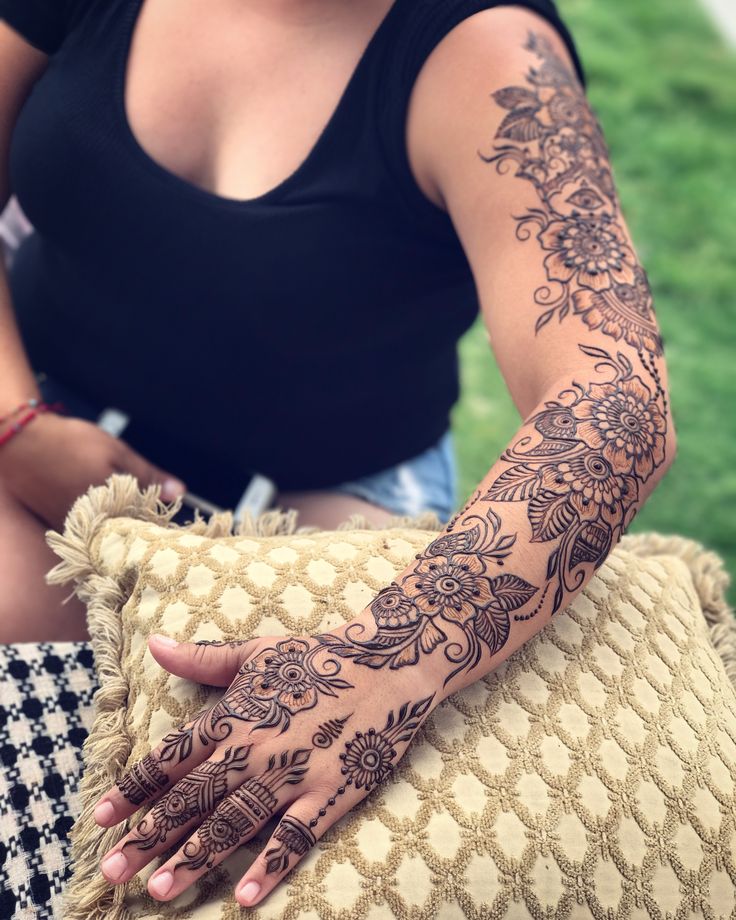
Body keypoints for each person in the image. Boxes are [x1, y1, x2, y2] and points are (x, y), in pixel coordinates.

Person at [0, 0, 675, 908]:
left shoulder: (490, 57)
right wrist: (15, 425)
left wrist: (390, 656)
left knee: (283, 835)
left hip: (325, 485)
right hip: (33, 390)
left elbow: (616, 398)